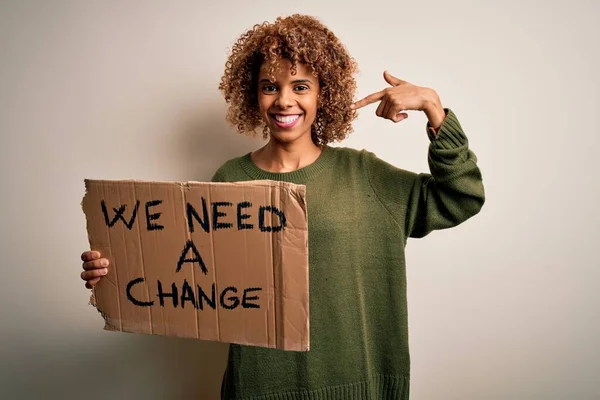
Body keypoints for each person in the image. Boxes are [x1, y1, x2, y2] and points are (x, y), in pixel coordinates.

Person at [80, 14, 485, 400]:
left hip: (359, 388)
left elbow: (460, 197)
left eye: (301, 86)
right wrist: (118, 269)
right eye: (269, 86)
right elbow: (188, 274)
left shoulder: (364, 175)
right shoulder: (228, 180)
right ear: (253, 94)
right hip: (258, 390)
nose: (283, 101)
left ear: (324, 92)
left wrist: (434, 109)